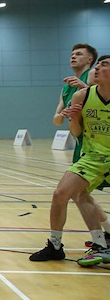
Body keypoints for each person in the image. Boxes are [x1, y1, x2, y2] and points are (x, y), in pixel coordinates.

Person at [30, 56, 110, 266]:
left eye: (105, 64)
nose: (98, 68)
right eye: (98, 64)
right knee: (61, 194)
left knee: (82, 196)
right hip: (92, 156)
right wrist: (74, 118)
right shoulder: (82, 96)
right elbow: (76, 132)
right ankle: (57, 245)